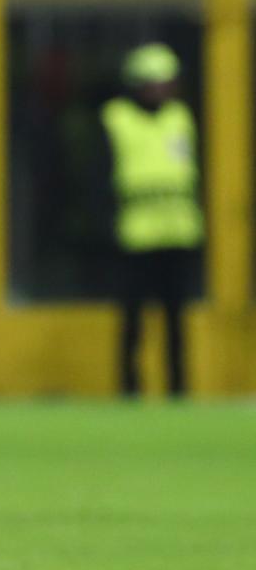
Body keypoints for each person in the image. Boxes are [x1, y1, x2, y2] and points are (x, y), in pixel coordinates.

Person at [101, 44, 203, 396]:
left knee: (177, 320)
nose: (161, 90)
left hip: (179, 230)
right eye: (153, 83)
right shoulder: (117, 118)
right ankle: (130, 388)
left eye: (166, 83)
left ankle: (179, 388)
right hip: (136, 233)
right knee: (133, 320)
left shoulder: (181, 117)